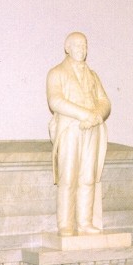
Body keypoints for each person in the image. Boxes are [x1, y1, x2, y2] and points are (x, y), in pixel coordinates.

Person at [46, 32, 111, 236]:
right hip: (70, 130)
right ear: (67, 47)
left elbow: (105, 101)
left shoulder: (92, 75)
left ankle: (84, 222)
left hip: (92, 129)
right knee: (68, 177)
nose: (81, 49)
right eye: (77, 45)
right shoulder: (56, 73)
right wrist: (85, 115)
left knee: (88, 176)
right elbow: (55, 101)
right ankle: (65, 224)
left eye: (84, 45)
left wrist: (97, 116)